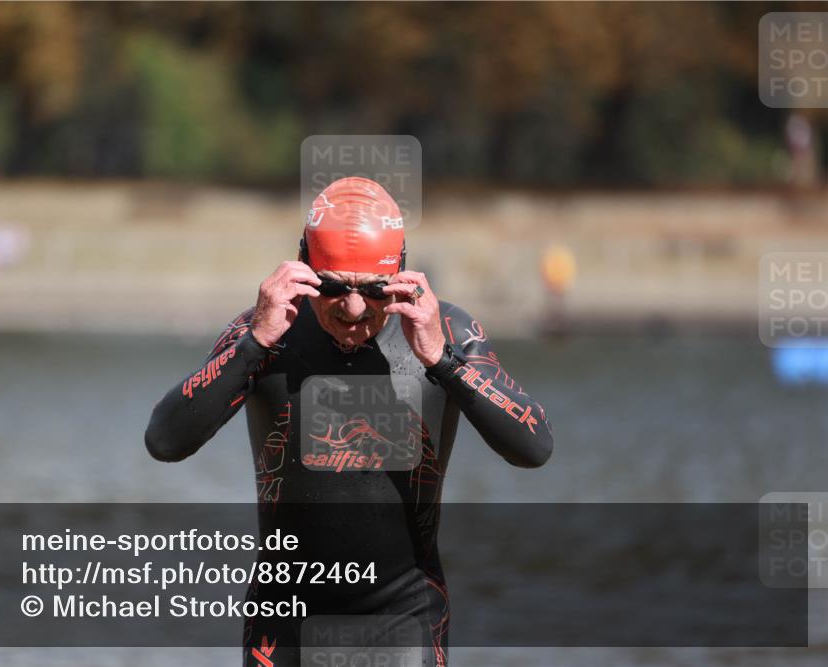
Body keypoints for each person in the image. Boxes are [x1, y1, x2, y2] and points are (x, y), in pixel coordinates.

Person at [145, 176, 553, 667]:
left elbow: (534, 446)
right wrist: (254, 344)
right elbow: (165, 440)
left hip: (404, 618)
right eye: (334, 286)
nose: (354, 309)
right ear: (304, 268)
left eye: (375, 291)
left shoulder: (445, 332)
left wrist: (443, 361)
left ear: (400, 274)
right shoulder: (269, 330)